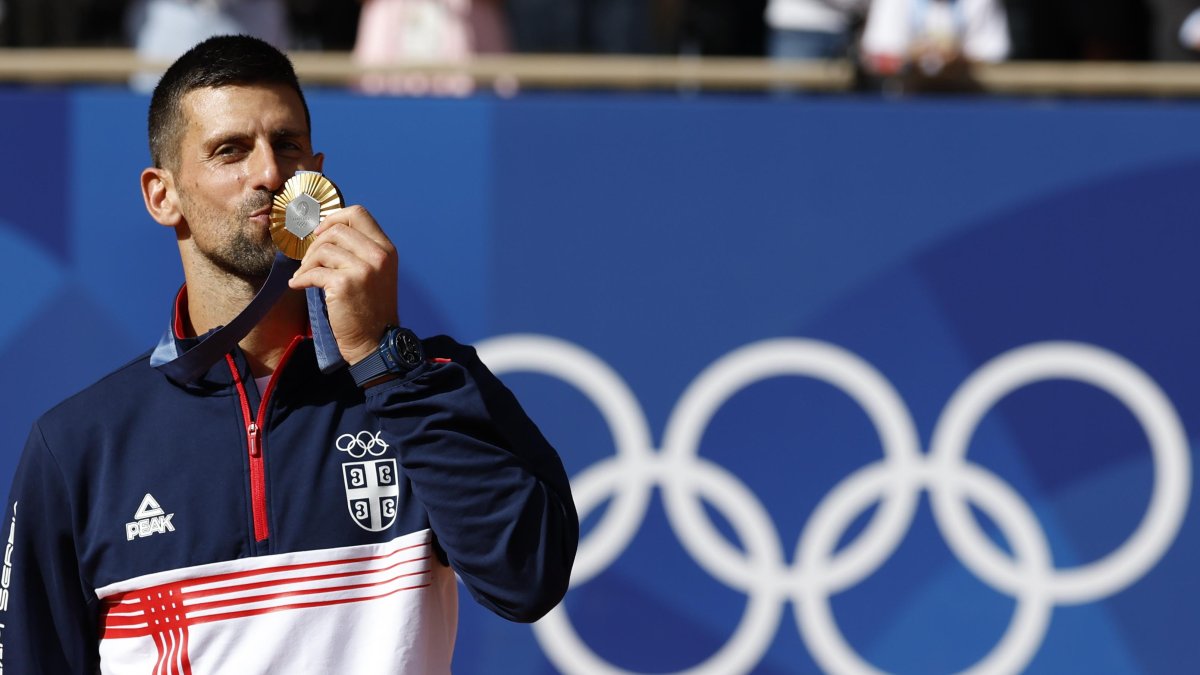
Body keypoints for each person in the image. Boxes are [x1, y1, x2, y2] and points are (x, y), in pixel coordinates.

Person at [0, 34, 577, 673]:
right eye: (230, 150)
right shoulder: (78, 447)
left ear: (318, 173)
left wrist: (382, 362)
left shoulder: (428, 382)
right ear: (163, 195)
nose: (270, 174)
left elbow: (528, 581)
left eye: (288, 146)